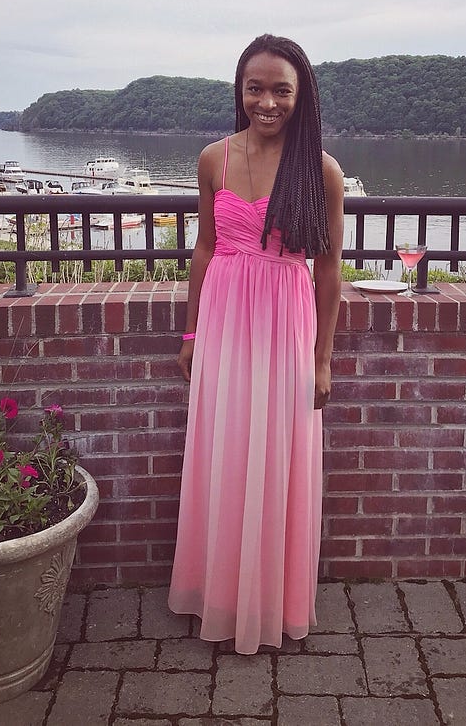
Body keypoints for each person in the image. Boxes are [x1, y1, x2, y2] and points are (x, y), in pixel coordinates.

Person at [167, 33, 344, 654]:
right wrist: (190, 332)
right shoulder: (212, 158)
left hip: (285, 324)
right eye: (255, 88)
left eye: (281, 90)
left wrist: (322, 357)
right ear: (239, 92)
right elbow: (207, 248)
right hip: (223, 317)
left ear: (302, 97)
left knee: (276, 453)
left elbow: (327, 271)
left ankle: (270, 600)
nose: (267, 102)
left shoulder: (320, 169)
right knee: (226, 449)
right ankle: (218, 594)